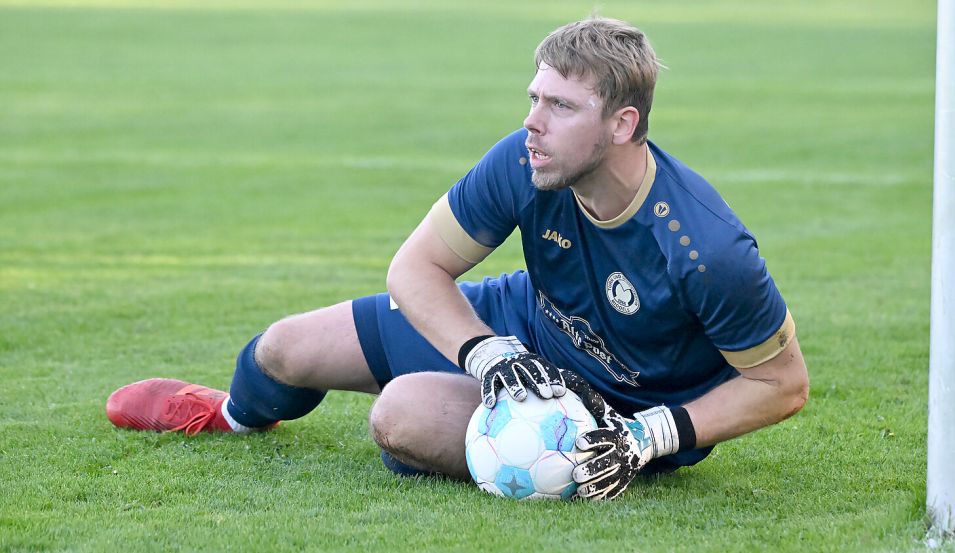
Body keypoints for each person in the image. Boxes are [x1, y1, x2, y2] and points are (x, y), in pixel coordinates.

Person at [106, 17, 809, 500]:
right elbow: (414, 269)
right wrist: (485, 352)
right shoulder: (525, 159)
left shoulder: (705, 248)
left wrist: (649, 435)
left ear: (622, 124)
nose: (533, 120)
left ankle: (572, 457)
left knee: (401, 418)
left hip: (621, 409)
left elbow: (781, 382)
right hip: (524, 327)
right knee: (285, 348)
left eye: (560, 106)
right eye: (533, 96)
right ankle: (230, 416)